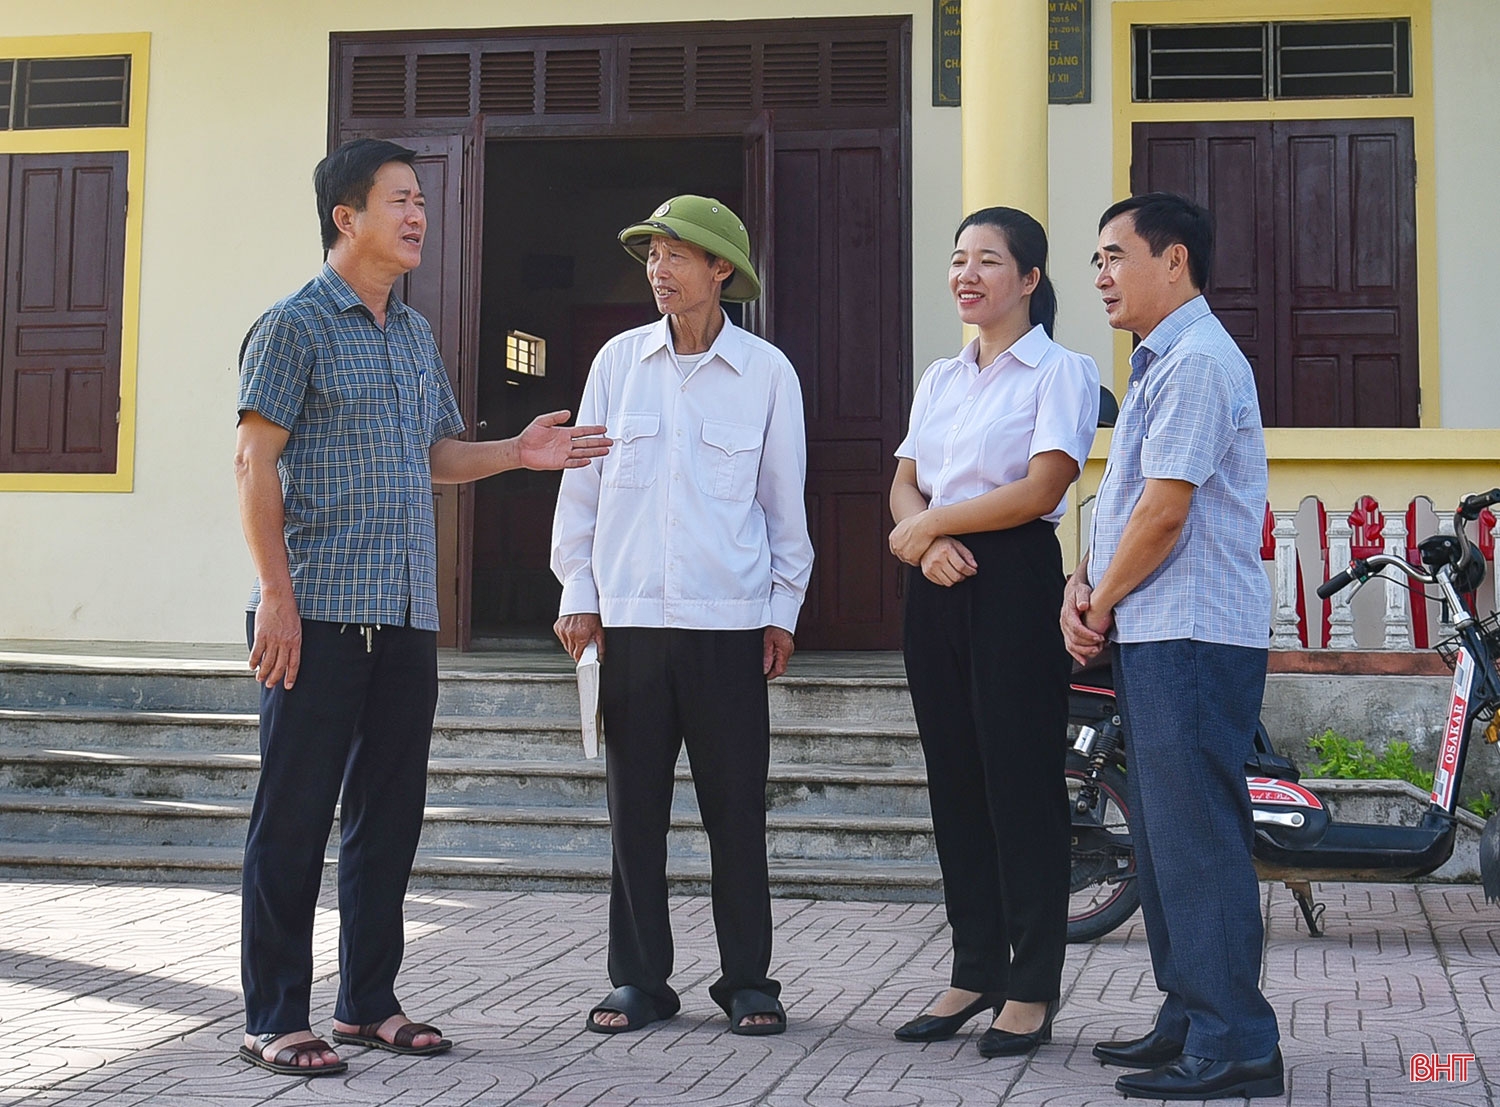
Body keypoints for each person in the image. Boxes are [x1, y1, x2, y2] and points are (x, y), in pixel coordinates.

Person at [233, 137, 609, 1076]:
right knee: (294, 815)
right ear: (344, 216)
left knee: (388, 814)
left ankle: (366, 1002)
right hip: (313, 611)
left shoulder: (411, 332)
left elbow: (436, 456)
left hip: (403, 613)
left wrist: (515, 454)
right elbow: (253, 463)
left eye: (421, 203)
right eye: (399, 199)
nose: (417, 217)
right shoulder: (293, 327)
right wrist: (276, 596)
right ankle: (272, 1013)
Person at [550, 195, 813, 1037]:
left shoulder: (768, 373)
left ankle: (748, 979)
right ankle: (638, 980)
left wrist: (782, 610)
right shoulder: (617, 363)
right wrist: (578, 593)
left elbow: (784, 509)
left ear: (720, 270)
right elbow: (581, 485)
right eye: (652, 255)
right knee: (636, 811)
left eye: (677, 254)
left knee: (737, 808)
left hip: (729, 623)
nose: (659, 270)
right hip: (629, 622)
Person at [1062, 192, 1283, 1100]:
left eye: (1116, 256)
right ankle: (1189, 1015)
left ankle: (1238, 1039)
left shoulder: (1195, 361)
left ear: (1176, 260)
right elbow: (1122, 508)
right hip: (1161, 630)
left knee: (1197, 838)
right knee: (1159, 839)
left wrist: (1099, 602)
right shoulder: (1159, 366)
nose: (1103, 276)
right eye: (1097, 262)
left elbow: (1165, 512)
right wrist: (1086, 581)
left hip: (1192, 634)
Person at [887, 207, 1099, 1057]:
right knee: (956, 781)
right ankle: (974, 968)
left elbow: (1041, 487)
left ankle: (1033, 984)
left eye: (987, 261)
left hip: (1011, 581)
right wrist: (925, 536)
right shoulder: (941, 375)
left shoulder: (1061, 371)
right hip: (935, 586)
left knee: (1019, 782)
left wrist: (933, 526)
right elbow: (905, 480)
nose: (966, 275)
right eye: (958, 259)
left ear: (1030, 279)